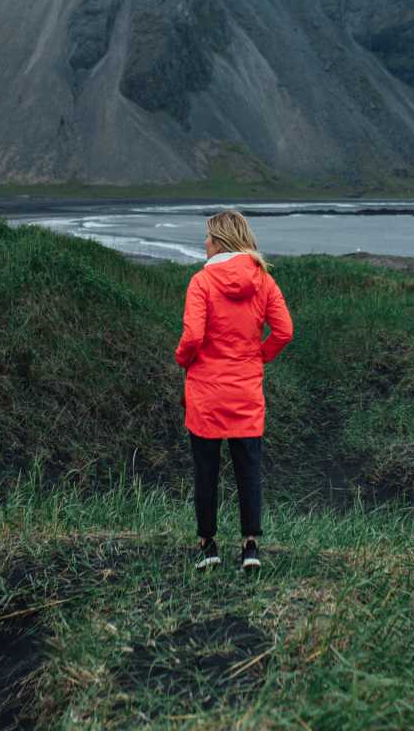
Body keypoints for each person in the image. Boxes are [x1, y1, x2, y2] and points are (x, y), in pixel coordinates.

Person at [175, 209, 293, 572]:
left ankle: (208, 546)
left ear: (221, 240)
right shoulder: (264, 281)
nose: (204, 242)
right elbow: (285, 331)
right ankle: (250, 548)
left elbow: (193, 336)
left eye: (209, 237)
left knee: (206, 470)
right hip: (245, 391)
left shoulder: (202, 282)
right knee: (249, 470)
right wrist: (258, 356)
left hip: (207, 393)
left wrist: (183, 359)